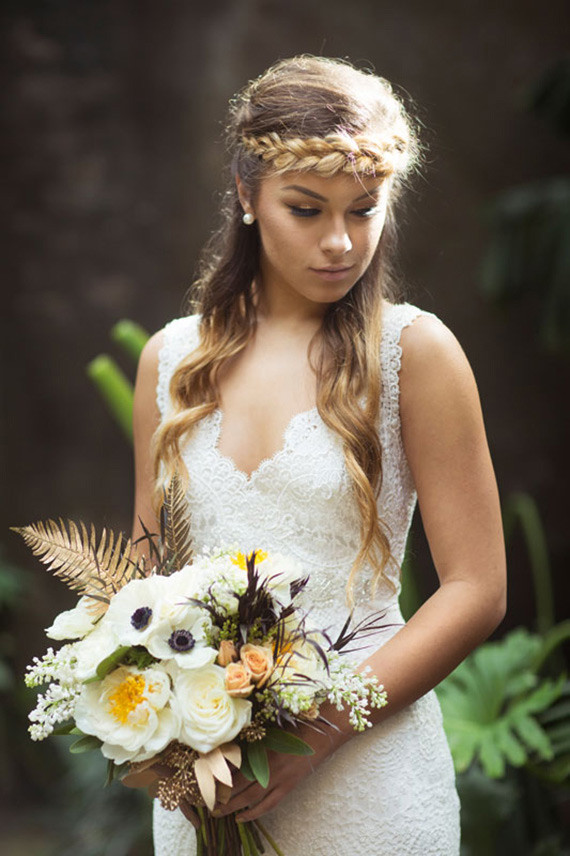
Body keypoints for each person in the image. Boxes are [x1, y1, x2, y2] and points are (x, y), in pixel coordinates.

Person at [130, 55, 507, 856]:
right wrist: (145, 713)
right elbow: (144, 573)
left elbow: (477, 589)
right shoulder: (170, 361)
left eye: (364, 211)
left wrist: (318, 732)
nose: (340, 242)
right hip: (208, 781)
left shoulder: (415, 353)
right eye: (307, 209)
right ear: (245, 196)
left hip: (371, 776)